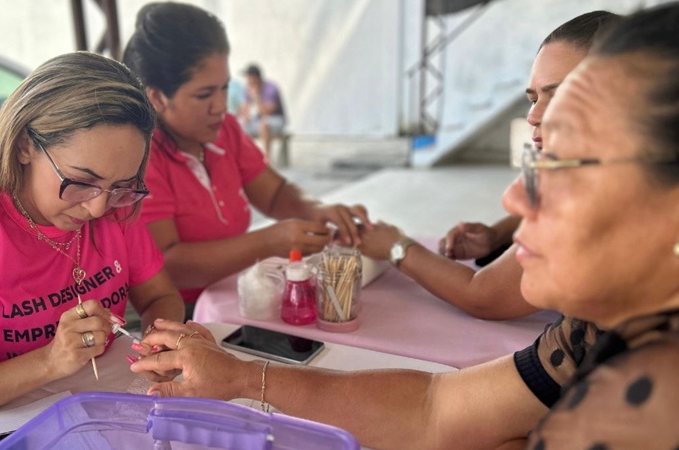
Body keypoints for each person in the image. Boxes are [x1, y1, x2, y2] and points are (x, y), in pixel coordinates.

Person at [129, 3, 679, 448]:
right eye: (535, 113)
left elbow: (479, 303)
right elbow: (434, 408)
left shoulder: (649, 397)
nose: (515, 198)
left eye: (562, 161)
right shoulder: (591, 331)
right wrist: (244, 378)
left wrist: (385, 246)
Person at [0, 52, 185, 433]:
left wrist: (158, 342)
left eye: (122, 187)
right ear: (24, 146)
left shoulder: (116, 209)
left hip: (86, 412)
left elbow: (161, 296)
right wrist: (49, 361)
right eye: (81, 181)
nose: (97, 208)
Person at [356, 10, 619, 320]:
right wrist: (499, 235)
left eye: (558, 95)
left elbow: (485, 296)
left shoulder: (609, 196)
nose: (533, 115)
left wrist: (395, 246)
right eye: (534, 98)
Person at [122, 2, 369, 318]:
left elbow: (275, 192)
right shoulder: (140, 159)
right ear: (157, 97)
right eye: (204, 95)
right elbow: (169, 265)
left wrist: (315, 210)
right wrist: (271, 241)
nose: (221, 106)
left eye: (225, 88)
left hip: (231, 290)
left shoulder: (225, 131)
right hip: (174, 310)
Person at [237, 63, 287, 158]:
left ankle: (266, 158)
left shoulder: (271, 88)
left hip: (276, 119)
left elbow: (267, 111)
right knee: (238, 127)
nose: (247, 80)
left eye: (248, 77)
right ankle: (246, 158)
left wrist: (256, 97)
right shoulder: (248, 88)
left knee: (264, 124)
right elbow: (243, 108)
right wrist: (245, 115)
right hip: (259, 120)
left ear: (255, 78)